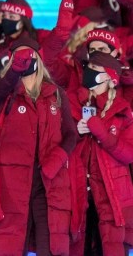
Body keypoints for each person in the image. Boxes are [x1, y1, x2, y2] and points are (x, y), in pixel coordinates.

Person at [0, 38, 76, 256]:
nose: (23, 60)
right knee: (8, 244)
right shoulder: (5, 93)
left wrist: (55, 161)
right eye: (17, 57)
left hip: (48, 182)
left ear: (38, 59)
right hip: (11, 183)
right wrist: (12, 73)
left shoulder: (56, 94)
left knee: (50, 244)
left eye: (28, 56)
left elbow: (71, 134)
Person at [68, 53, 133, 256]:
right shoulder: (73, 103)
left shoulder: (123, 111)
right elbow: (60, 146)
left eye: (95, 68)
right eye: (89, 66)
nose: (89, 71)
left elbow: (129, 154)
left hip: (111, 197)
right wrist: (76, 133)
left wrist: (102, 133)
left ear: (108, 77)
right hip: (79, 195)